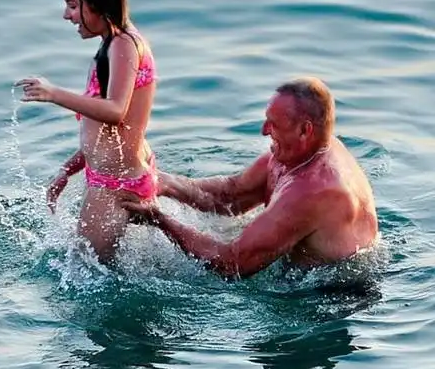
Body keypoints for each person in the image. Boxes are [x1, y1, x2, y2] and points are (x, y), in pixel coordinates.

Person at [123, 77, 378, 279]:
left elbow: (232, 264)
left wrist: (159, 219)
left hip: (332, 294)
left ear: (305, 130)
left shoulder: (314, 191)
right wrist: (163, 182)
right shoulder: (299, 153)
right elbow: (231, 195)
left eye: (273, 124)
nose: (264, 131)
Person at [16, 0, 158, 263]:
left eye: (72, 6)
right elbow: (110, 133)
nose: (66, 15)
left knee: (83, 267)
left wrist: (53, 94)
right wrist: (68, 169)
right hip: (116, 176)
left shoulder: (123, 44)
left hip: (114, 185)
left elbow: (115, 110)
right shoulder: (114, 44)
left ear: (96, 3)